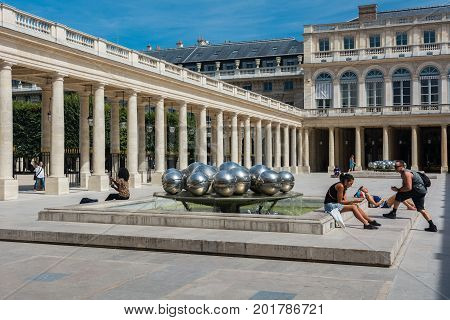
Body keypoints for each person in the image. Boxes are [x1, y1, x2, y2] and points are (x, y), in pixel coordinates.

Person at [383, 160, 437, 232]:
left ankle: (393, 213)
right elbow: (406, 186)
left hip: (416, 191)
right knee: (421, 209)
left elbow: (408, 188)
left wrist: (398, 190)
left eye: (397, 167)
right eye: (395, 166)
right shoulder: (405, 172)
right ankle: (432, 226)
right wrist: (399, 189)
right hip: (421, 191)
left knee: (399, 194)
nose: (395, 168)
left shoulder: (406, 173)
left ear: (402, 166)